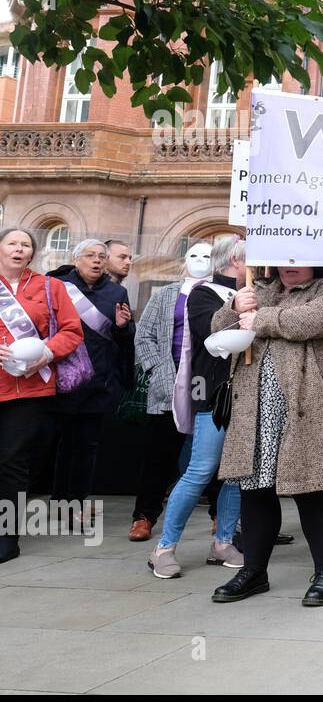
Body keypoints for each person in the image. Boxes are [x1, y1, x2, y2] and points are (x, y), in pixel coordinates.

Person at [209, 265, 323, 606]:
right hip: (255, 410)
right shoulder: (258, 288)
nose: (290, 263)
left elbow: (312, 321)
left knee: (315, 492)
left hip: (308, 409)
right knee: (255, 491)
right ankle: (254, 571)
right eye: (284, 256)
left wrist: (259, 319)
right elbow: (217, 329)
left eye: (298, 256)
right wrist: (233, 308)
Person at [146, 237, 246, 578]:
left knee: (236, 473)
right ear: (235, 259)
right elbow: (210, 331)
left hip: (247, 394)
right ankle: (164, 547)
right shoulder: (204, 293)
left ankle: (222, 541)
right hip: (213, 393)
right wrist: (239, 306)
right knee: (201, 469)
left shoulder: (257, 292)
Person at [0, 227, 85, 563]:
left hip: (31, 388)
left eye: (26, 245)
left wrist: (47, 354)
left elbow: (71, 331)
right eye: (12, 243)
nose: (19, 249)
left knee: (12, 461)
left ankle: (7, 535)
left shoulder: (51, 287)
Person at [128, 243, 213, 541]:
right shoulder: (165, 294)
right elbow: (145, 336)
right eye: (195, 255)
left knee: (212, 450)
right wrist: (158, 372)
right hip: (168, 382)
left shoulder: (223, 294)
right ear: (184, 261)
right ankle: (145, 516)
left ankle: (220, 514)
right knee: (158, 454)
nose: (201, 261)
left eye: (208, 256)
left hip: (206, 382)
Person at [46, 239, 134, 526]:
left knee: (86, 446)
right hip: (62, 379)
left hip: (98, 381)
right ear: (76, 259)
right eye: (90, 256)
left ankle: (76, 504)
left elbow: (125, 337)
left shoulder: (117, 292)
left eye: (101, 256)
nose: (96, 261)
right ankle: (58, 502)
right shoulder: (57, 285)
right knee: (60, 443)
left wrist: (122, 327)